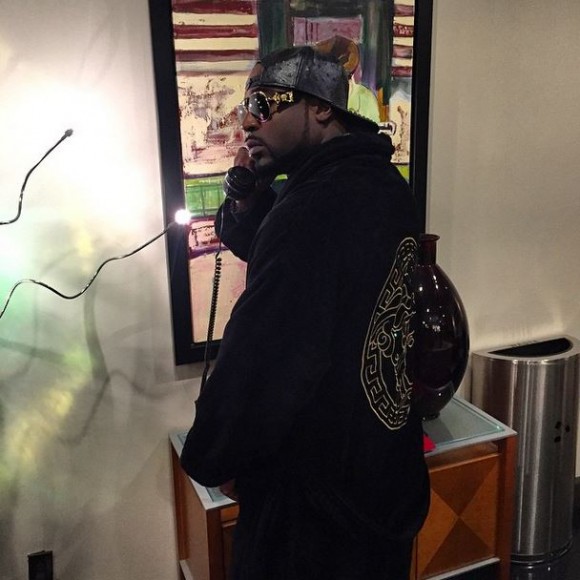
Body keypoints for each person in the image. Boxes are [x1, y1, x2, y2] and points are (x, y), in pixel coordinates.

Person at [180, 45, 430, 580]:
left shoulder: (313, 209)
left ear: (320, 107)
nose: (248, 121)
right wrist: (248, 200)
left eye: (264, 103)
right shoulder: (383, 186)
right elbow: (316, 271)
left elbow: (266, 359)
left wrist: (213, 452)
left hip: (317, 514)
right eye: (245, 107)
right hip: (382, 471)